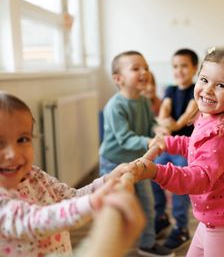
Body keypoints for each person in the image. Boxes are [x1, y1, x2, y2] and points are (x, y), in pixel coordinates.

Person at [118, 46, 224, 256]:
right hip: (211, 219)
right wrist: (167, 142)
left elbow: (198, 179)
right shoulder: (208, 117)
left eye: (220, 85)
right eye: (204, 80)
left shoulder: (220, 134)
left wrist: (156, 172)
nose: (207, 90)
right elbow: (194, 144)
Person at [0, 91, 145, 257]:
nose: (13, 154)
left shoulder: (35, 176)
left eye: (22, 140)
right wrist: (94, 202)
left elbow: (72, 197)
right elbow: (34, 221)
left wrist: (108, 181)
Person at [98, 51, 173, 257]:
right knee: (115, 207)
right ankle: (109, 246)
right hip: (113, 163)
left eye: (146, 67)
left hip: (138, 162)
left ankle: (147, 243)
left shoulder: (143, 101)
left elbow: (150, 125)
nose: (144, 72)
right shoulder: (115, 106)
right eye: (136, 68)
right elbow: (124, 138)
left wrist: (157, 129)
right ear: (118, 79)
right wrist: (149, 140)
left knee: (147, 204)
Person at [153, 48, 199, 250]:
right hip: (169, 146)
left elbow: (185, 118)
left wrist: (168, 125)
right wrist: (163, 122)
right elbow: (164, 110)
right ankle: (161, 216)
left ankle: (181, 228)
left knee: (180, 186)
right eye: (175, 66)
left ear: (194, 68)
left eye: (184, 66)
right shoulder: (170, 90)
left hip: (186, 149)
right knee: (153, 174)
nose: (179, 70)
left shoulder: (197, 90)